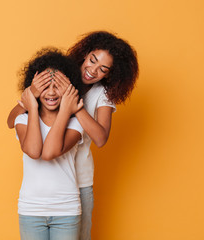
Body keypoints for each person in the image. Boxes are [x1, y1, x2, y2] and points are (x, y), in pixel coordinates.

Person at [9, 31, 139, 240]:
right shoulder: (58, 75)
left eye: (103, 69)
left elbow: (100, 138)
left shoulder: (100, 95)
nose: (93, 70)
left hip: (78, 182)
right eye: (92, 60)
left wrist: (75, 108)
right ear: (85, 54)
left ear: (110, 74)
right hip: (44, 192)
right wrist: (31, 98)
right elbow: (12, 121)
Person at [14, 48, 85, 240]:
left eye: (58, 87)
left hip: (66, 211)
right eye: (45, 87)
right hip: (31, 210)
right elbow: (33, 151)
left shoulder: (76, 123)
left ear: (70, 89)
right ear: (34, 90)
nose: (52, 92)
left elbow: (50, 152)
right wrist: (32, 107)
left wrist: (66, 109)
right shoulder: (22, 120)